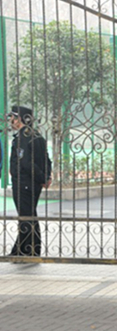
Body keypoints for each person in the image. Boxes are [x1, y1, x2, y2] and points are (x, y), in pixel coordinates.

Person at [8, 106, 52, 257]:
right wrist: (46, 177)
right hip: (33, 183)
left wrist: (42, 178)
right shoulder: (36, 135)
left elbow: (27, 163)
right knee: (29, 215)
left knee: (26, 217)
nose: (10, 121)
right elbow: (46, 159)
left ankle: (25, 250)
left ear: (19, 119)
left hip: (24, 183)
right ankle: (29, 248)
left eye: (12, 117)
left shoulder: (23, 138)